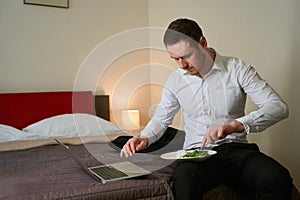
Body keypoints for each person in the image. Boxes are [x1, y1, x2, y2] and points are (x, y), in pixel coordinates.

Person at [120, 18, 293, 200]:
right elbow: (161, 119)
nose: (182, 65)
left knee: (278, 177)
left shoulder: (238, 69)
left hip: (237, 151)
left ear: (202, 43)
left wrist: (234, 126)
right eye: (175, 59)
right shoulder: (175, 80)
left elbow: (278, 107)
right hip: (196, 156)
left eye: (186, 56)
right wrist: (144, 138)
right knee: (184, 178)